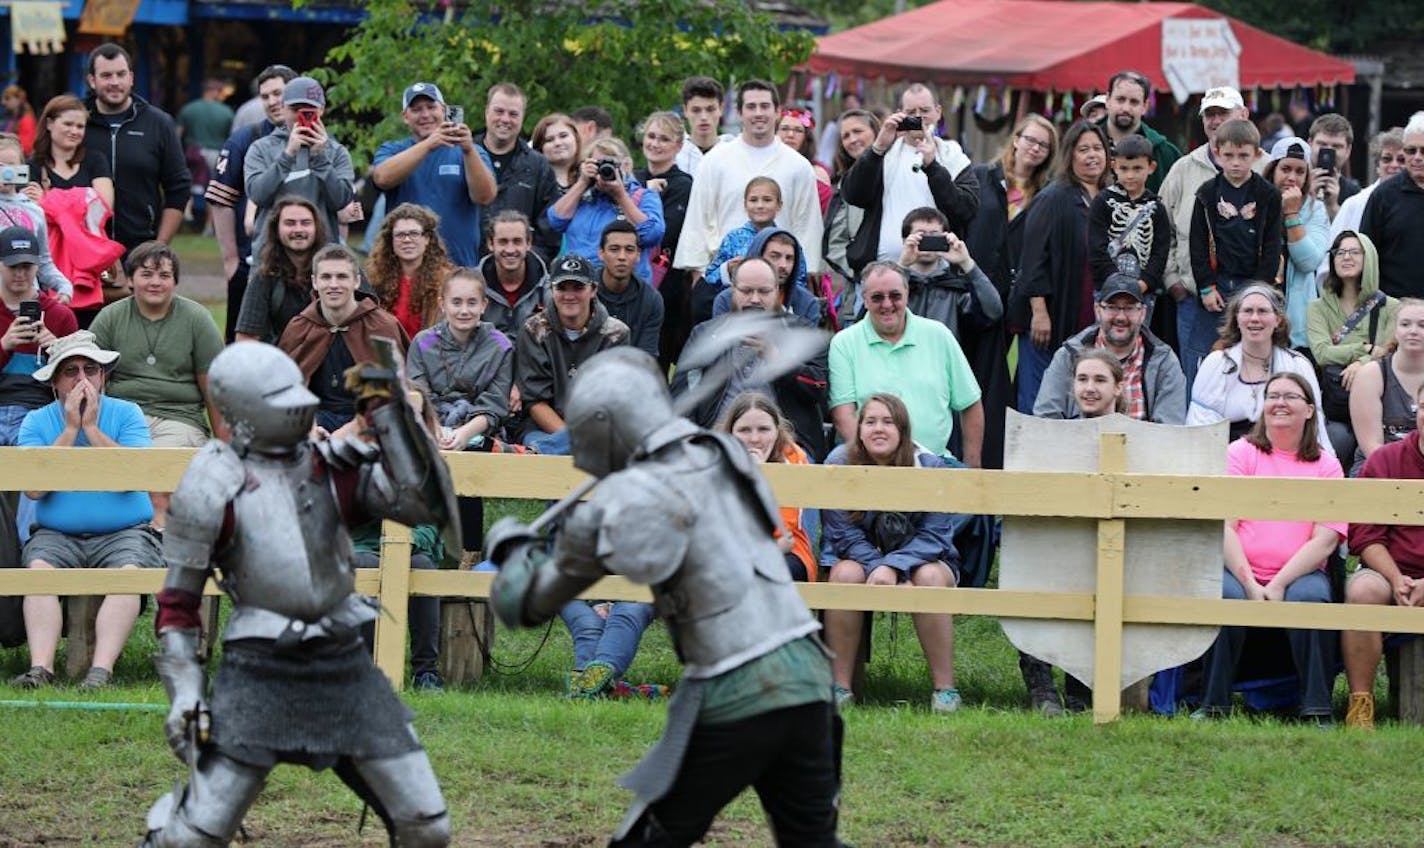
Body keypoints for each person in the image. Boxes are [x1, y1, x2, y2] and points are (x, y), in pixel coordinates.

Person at [489, 347, 840, 846]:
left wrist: (513, 551)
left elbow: (524, 605)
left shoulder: (620, 500)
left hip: (737, 680)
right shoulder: (728, 455)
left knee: (652, 838)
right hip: (807, 668)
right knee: (810, 840)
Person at [138, 341, 455, 846]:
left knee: (427, 826)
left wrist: (387, 411)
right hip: (259, 670)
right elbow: (179, 602)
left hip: (344, 665)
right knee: (193, 838)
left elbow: (420, 503)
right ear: (242, 407)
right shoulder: (213, 480)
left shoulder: (330, 466)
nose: (298, 404)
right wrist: (187, 693)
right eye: (279, 395)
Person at [8, 330, 160, 691]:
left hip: (125, 532)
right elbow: (34, 487)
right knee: (39, 571)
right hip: (56, 535)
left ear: (103, 376)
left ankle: (100, 672)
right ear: (55, 383)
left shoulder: (128, 414)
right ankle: (40, 669)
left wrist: (90, 429)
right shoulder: (37, 422)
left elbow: (133, 478)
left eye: (90, 370)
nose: (82, 380)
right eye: (70, 371)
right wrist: (70, 428)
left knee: (129, 574)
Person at [1192, 371, 1344, 723]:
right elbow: (1225, 527)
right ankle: (1213, 705)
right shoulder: (1241, 453)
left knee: (1311, 600)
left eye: (1290, 396)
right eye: (1272, 395)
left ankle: (1316, 708)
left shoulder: (1326, 465)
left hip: (1299, 573)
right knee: (1224, 598)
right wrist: (1249, 584)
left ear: (1309, 410)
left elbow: (1325, 539)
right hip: (1239, 567)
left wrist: (1277, 584)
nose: (1279, 403)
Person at [822, 392, 962, 711]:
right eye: (870, 422)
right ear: (858, 429)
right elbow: (841, 532)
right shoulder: (838, 463)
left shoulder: (930, 466)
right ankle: (840, 688)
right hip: (860, 558)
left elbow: (935, 535)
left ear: (903, 429)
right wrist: (878, 567)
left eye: (888, 422)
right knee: (843, 573)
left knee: (928, 575)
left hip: (925, 560)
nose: (878, 429)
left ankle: (945, 690)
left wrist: (896, 566)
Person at [1023, 348, 1128, 714]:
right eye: (1083, 379)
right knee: (1034, 579)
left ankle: (1082, 689)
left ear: (1118, 387)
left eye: (1100, 380)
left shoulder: (1137, 439)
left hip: (1120, 549)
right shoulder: (1053, 438)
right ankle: (1042, 685)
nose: (1090, 388)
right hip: (1060, 545)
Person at [89, 241, 225, 523]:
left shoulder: (196, 319)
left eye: (164, 276)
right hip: (122, 417)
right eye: (146, 274)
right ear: (130, 279)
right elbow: (89, 379)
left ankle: (157, 542)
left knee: (158, 476)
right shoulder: (110, 318)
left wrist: (225, 447)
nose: (155, 282)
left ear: (175, 282)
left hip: (178, 418)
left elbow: (213, 391)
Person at [962, 114, 1057, 468]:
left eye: (1043, 145)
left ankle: (998, 462)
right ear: (1016, 139)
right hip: (976, 295)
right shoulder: (981, 177)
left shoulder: (1045, 194)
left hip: (1017, 301)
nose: (1034, 148)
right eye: (1030, 140)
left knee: (1004, 385)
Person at [829, 261, 983, 466]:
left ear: (907, 294)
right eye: (877, 297)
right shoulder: (844, 342)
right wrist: (875, 460)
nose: (887, 304)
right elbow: (843, 415)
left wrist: (973, 464)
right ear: (864, 299)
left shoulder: (939, 335)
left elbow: (970, 402)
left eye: (895, 295)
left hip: (933, 460)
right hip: (870, 463)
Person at [675, 257, 829, 460]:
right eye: (746, 291)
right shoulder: (707, 334)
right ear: (733, 291)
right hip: (718, 441)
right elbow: (682, 396)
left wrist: (776, 358)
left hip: (786, 444)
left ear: (777, 292)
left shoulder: (801, 333)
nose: (755, 299)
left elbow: (819, 387)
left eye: (764, 292)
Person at [406, 267, 512, 563]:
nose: (464, 310)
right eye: (456, 302)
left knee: (469, 459)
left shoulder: (500, 346)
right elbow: (418, 395)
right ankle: (421, 543)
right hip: (430, 423)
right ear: (442, 303)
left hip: (478, 428)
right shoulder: (423, 343)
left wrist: (463, 434)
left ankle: (469, 553)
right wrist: (437, 430)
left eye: (471, 303)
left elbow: (494, 404)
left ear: (484, 306)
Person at [1160, 87, 1262, 390]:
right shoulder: (1183, 168)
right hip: (1194, 299)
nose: (1216, 120)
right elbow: (1161, 226)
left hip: (1251, 299)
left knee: (1251, 382)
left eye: (1223, 113)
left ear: (1243, 115)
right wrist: (1172, 281)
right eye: (1210, 114)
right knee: (1198, 383)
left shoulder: (1264, 165)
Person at [675, 80, 822, 282]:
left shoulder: (799, 166)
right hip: (725, 277)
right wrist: (698, 277)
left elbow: (807, 227)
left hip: (781, 280)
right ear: (739, 112)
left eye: (765, 106)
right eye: (751, 107)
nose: (758, 113)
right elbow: (698, 221)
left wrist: (804, 279)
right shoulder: (715, 161)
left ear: (777, 111)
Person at [1009, 120, 1110, 413]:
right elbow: (1032, 260)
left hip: (1089, 319)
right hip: (1050, 319)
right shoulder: (1053, 198)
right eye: (1083, 149)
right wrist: (1039, 314)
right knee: (1042, 400)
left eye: (1097, 148)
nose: (1092, 155)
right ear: (1070, 155)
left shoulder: (1107, 198)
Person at [1342, 380, 1424, 729]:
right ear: (1416, 412)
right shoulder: (1386, 460)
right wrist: (1396, 579)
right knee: (1362, 591)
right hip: (1392, 570)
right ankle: (1361, 705)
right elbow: (1365, 534)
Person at [841, 84, 978, 273]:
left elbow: (966, 209)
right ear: (900, 114)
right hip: (884, 269)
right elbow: (854, 195)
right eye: (911, 112)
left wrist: (933, 167)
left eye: (925, 110)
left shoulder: (953, 155)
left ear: (938, 112)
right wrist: (877, 148)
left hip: (940, 274)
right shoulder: (884, 154)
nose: (918, 117)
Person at [205, 63, 295, 341]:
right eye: (265, 96)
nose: (271, 102)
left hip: (305, 265)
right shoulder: (246, 139)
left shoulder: (320, 140)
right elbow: (221, 201)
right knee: (243, 347)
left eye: (278, 93)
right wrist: (231, 259)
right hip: (251, 261)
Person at [277, 244, 409, 433]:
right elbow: (286, 392)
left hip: (371, 422)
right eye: (326, 277)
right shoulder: (300, 327)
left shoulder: (382, 326)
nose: (333, 285)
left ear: (356, 281)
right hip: (312, 419)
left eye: (342, 277)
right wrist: (311, 427)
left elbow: (395, 394)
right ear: (314, 282)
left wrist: (352, 429)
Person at [1187, 285, 1330, 453]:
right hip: (1226, 462)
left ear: (1278, 320)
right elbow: (1199, 431)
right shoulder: (1216, 364)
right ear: (1237, 319)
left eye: (1262, 311)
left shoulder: (1298, 365)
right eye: (1247, 311)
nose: (1254, 318)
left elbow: (1315, 428)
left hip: (1284, 460)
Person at [1033, 269, 1186, 424]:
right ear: (1098, 310)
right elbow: (1045, 419)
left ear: (1142, 313)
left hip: (1143, 446)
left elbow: (1170, 428)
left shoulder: (1164, 361)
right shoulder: (1069, 355)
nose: (1120, 317)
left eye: (1129, 308)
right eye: (1112, 307)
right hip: (1078, 444)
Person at [370, 81, 497, 267]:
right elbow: (382, 178)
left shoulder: (471, 151)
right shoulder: (393, 149)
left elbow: (485, 197)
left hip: (458, 268)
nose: (425, 115)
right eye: (416, 109)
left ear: (444, 110)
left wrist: (468, 150)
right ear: (405, 117)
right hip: (403, 269)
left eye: (431, 107)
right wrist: (430, 144)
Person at [513, 254, 629, 453]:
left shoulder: (616, 334)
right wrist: (573, 441)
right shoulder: (533, 330)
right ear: (551, 290)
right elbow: (535, 401)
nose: (569, 295)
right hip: (543, 430)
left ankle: (535, 453)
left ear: (593, 290)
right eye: (562, 288)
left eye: (578, 287)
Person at [82, 43, 191, 255]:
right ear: (92, 81)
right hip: (84, 247)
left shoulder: (159, 123)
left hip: (140, 249)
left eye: (121, 74)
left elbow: (179, 187)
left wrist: (158, 246)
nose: (115, 82)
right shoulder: (76, 122)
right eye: (106, 75)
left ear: (131, 78)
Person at [1187, 119, 1283, 359]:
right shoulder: (1206, 193)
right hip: (1216, 285)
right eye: (1229, 155)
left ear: (1257, 154)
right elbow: (1197, 243)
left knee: (1250, 352)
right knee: (1205, 353)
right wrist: (1205, 286)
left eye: (1243, 155)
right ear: (1218, 153)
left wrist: (1260, 289)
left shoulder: (1268, 195)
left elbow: (1273, 247)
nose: (1236, 162)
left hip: (1252, 283)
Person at [27, 94, 123, 327]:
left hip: (89, 270)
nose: (75, 131)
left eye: (80, 126)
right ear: (49, 123)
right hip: (46, 269)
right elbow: (29, 214)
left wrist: (49, 200)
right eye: (68, 124)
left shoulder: (95, 160)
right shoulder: (32, 166)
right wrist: (80, 199)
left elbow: (102, 207)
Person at [1306, 231, 1397, 464]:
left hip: (1382, 406)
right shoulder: (1317, 308)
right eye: (1340, 252)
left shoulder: (1391, 307)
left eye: (1355, 252)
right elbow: (1322, 353)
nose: (1346, 257)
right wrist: (1365, 350)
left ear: (1370, 259)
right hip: (1337, 405)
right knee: (1337, 442)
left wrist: (1362, 365)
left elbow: (1391, 352)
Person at [244, 76, 354, 261]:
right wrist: (287, 155)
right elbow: (257, 194)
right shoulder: (261, 148)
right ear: (284, 109)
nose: (301, 117)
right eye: (295, 110)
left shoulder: (337, 152)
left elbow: (341, 201)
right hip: (271, 256)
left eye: (309, 111)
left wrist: (320, 157)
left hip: (321, 258)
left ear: (322, 110)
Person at [719, 391, 817, 580]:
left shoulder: (793, 458)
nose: (754, 439)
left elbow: (783, 534)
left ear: (777, 430)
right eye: (744, 430)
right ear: (731, 432)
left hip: (787, 552)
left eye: (763, 429)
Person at [545, 136, 665, 284]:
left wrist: (620, 195)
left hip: (622, 287)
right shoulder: (582, 196)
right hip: (578, 284)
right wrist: (582, 182)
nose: (606, 170)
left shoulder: (643, 196)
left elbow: (652, 234)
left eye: (613, 164)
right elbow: (555, 220)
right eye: (599, 164)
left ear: (626, 165)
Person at [0, 227, 76, 444]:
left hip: (41, 410)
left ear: (38, 266)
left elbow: (76, 383)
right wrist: (4, 345)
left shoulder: (60, 316)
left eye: (27, 266)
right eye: (12, 266)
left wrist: (58, 351)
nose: (20, 274)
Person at [700, 176, 808, 321]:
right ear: (745, 204)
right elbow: (710, 277)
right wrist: (728, 269)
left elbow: (799, 278)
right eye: (753, 200)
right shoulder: (733, 238)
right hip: (738, 312)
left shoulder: (787, 241)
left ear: (779, 205)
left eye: (767, 200)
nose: (760, 205)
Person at [476, 82, 562, 263]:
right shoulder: (462, 156)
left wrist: (527, 264)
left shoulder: (538, 165)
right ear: (486, 112)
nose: (505, 119)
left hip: (520, 274)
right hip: (468, 268)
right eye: (499, 111)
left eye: (513, 114)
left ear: (522, 117)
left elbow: (549, 230)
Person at [634, 110, 694, 369]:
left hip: (665, 284)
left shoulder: (683, 185)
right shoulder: (632, 179)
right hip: (630, 277)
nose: (655, 144)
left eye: (664, 139)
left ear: (678, 145)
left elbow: (662, 232)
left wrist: (647, 199)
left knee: (655, 362)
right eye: (651, 136)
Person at [1087, 134, 1170, 308]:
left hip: (1143, 292)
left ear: (1151, 167)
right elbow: (1096, 246)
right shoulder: (1102, 202)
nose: (1130, 175)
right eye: (1124, 169)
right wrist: (1112, 281)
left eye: (1137, 168)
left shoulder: (1156, 208)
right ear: (1114, 167)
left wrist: (1145, 282)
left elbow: (1161, 252)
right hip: (1106, 288)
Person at [899, 206, 1003, 341]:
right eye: (921, 235)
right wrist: (902, 266)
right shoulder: (895, 279)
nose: (928, 240)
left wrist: (967, 263)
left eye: (935, 235)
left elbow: (993, 311)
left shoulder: (955, 288)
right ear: (905, 240)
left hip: (944, 357)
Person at [1264, 137, 1329, 350]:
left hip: (1297, 325)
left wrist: (1292, 213)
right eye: (1286, 169)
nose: (1292, 177)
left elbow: (1309, 261)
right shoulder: (1256, 203)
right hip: (1259, 310)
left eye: (1300, 171)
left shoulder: (1315, 209)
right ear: (1273, 169)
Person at [234, 195, 324, 343]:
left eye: (306, 223)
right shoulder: (263, 278)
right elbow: (246, 339)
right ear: (276, 229)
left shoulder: (339, 270)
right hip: (283, 361)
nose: (298, 229)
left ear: (317, 227)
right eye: (290, 223)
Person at [1349, 299, 1424, 473]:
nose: (1413, 331)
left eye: (1422, 325)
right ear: (1395, 331)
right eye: (1405, 324)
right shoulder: (1371, 374)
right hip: (1380, 468)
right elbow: (1372, 446)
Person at [0, 133, 72, 304]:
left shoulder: (34, 211)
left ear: (22, 169)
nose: (5, 172)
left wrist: (64, 287)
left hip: (26, 299)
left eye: (11, 166)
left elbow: (43, 261)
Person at [823, 108, 881, 321]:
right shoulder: (844, 186)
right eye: (846, 136)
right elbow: (833, 244)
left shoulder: (898, 172)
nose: (852, 139)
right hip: (860, 291)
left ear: (876, 132)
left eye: (858, 131)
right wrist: (861, 273)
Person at [1360, 112, 1424, 300]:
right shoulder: (1383, 195)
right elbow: (1366, 257)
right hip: (1394, 308)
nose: (1417, 157)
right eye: (1411, 151)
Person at [366, 202, 453, 338]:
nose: (407, 240)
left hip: (430, 354)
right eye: (400, 235)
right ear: (391, 241)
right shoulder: (375, 281)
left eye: (414, 233)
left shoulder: (447, 282)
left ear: (427, 239)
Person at [1321, 129, 1405, 259]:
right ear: (1377, 166)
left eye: (1401, 160)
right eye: (1387, 159)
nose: (1394, 165)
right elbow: (1331, 254)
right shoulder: (1355, 203)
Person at [1097, 70, 1181, 194]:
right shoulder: (1082, 145)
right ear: (1108, 100)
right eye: (1120, 99)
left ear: (1145, 106)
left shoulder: (1165, 153)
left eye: (1134, 102)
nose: (1126, 108)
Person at [596, 219, 664, 358]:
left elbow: (646, 357)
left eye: (629, 250)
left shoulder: (651, 300)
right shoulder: (584, 290)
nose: (622, 257)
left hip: (631, 374)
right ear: (601, 253)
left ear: (638, 255)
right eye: (614, 249)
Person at [479, 209, 548, 338]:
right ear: (490, 244)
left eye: (517, 241)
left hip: (532, 356)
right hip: (487, 356)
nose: (510, 250)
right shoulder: (472, 286)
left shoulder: (547, 288)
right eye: (503, 241)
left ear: (528, 243)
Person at [776, 107, 832, 214]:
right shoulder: (764, 164)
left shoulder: (817, 172)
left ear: (806, 138)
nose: (790, 135)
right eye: (785, 129)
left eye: (798, 130)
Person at [176, 79, 235, 180]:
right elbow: (232, 137)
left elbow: (177, 135)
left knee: (193, 185)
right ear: (214, 92)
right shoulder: (227, 112)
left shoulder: (188, 108)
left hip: (193, 153)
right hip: (217, 154)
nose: (223, 96)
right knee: (215, 186)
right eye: (221, 92)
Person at [673, 75, 730, 177]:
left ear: (721, 109)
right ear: (685, 110)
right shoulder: (673, 155)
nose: (703, 117)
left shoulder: (734, 152)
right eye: (696, 110)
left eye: (710, 109)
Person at [1307, 113, 1359, 221]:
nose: (1328, 152)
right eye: (1322, 144)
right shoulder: (1292, 182)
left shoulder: (1355, 195)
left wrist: (1333, 207)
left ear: (1348, 150)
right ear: (1310, 144)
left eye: (1336, 146)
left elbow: (1354, 233)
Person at [530, 112, 581, 192]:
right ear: (539, 148)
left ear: (576, 138)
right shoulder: (530, 182)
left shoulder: (591, 177)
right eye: (549, 140)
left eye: (563, 136)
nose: (558, 143)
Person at [0, 85, 35, 153]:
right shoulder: (10, 117)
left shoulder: (27, 119)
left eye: (7, 98)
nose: (3, 102)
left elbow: (27, 146)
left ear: (18, 99)